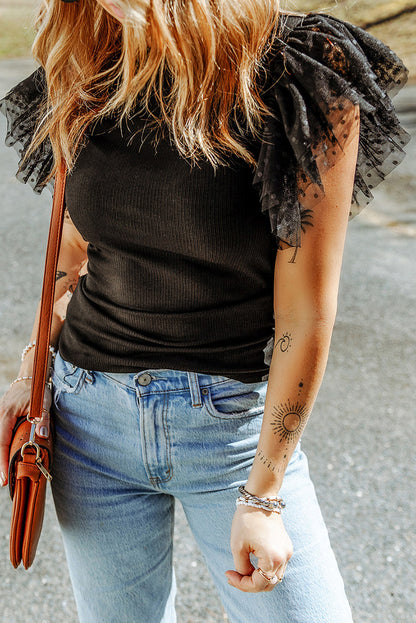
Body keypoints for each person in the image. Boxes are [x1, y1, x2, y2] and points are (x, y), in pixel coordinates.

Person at [0, 1, 409, 622]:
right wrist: (31, 369)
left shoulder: (304, 69)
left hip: (231, 432)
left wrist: (265, 494)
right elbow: (74, 251)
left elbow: (305, 309)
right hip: (90, 423)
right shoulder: (88, 54)